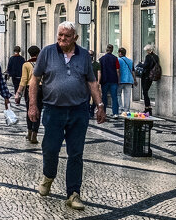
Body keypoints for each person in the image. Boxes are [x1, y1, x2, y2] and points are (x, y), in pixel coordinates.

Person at [30, 21, 105, 210]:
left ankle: (73, 193)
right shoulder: (47, 52)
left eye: (67, 36)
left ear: (75, 38)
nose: (62, 39)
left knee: (76, 153)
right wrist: (32, 105)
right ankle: (48, 175)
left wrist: (100, 105)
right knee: (50, 148)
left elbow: (92, 82)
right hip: (53, 109)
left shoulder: (84, 56)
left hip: (78, 110)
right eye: (60, 35)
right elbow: (35, 78)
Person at [16, 45, 41, 144]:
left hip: (29, 89)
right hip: (41, 89)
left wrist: (18, 92)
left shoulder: (26, 64)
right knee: (38, 111)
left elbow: (24, 79)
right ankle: (34, 134)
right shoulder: (41, 63)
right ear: (38, 53)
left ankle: (29, 132)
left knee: (29, 109)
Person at [98, 44, 120, 116]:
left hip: (104, 80)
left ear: (106, 50)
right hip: (113, 80)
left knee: (104, 97)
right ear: (112, 50)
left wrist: (99, 81)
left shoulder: (101, 59)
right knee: (114, 97)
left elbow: (100, 71)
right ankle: (115, 113)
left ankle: (103, 112)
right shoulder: (115, 58)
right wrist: (118, 80)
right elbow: (117, 70)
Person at [140, 44, 160, 114]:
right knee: (146, 91)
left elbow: (145, 66)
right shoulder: (156, 57)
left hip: (146, 76)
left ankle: (148, 108)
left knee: (145, 92)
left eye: (147, 50)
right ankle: (148, 107)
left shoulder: (148, 57)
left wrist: (141, 64)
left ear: (149, 50)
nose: (147, 52)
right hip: (152, 76)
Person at [117, 47, 136, 114]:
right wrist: (135, 80)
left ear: (120, 53)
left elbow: (117, 71)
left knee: (118, 94)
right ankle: (126, 110)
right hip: (129, 80)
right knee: (127, 95)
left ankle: (120, 108)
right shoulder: (130, 61)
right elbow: (133, 71)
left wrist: (117, 79)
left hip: (121, 80)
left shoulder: (118, 60)